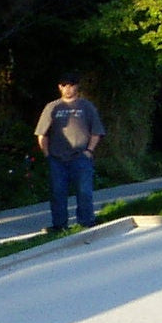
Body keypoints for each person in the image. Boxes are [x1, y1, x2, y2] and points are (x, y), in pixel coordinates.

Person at [35, 72, 106, 231]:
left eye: (71, 85)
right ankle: (59, 225)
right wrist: (47, 154)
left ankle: (87, 222)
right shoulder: (52, 107)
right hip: (57, 158)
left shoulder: (86, 106)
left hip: (80, 157)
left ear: (77, 86)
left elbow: (96, 131)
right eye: (64, 85)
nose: (68, 89)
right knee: (58, 193)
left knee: (84, 192)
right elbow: (42, 133)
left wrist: (89, 151)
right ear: (60, 87)